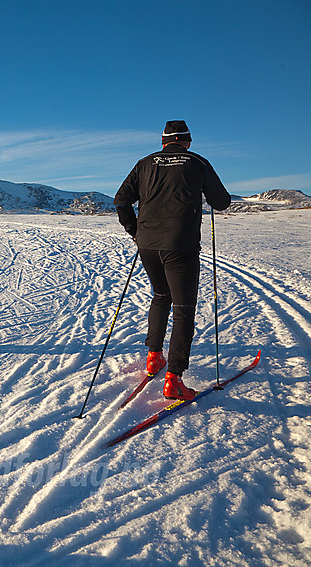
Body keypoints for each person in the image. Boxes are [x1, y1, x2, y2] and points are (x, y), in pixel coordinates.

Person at [114, 120, 231, 401]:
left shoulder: (144, 163)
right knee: (183, 308)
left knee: (161, 295)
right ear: (187, 141)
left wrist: (136, 231)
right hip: (181, 245)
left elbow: (121, 200)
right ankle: (174, 379)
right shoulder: (197, 162)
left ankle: (154, 357)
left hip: (148, 245)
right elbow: (222, 202)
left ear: (164, 141)